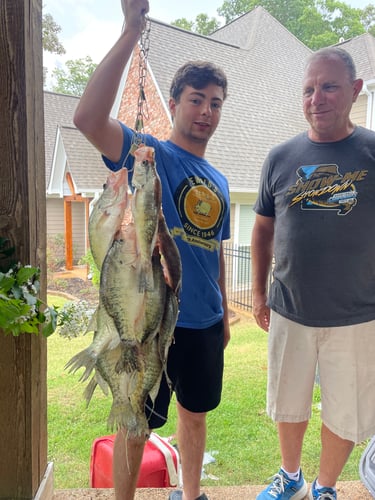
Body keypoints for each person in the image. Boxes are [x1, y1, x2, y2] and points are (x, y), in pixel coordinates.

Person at [73, 1, 231, 499]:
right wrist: (130, 33)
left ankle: (191, 495)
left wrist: (224, 311)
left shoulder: (221, 180)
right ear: (176, 102)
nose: (206, 111)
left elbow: (216, 250)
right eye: (195, 100)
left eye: (215, 102)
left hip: (204, 322)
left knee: (195, 415)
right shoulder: (150, 154)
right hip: (150, 316)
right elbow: (88, 117)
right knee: (135, 418)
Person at [251, 46, 375, 500]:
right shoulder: (280, 157)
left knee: (345, 410)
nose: (316, 98)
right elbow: (263, 229)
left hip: (358, 315)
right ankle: (291, 477)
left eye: (328, 86)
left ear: (355, 90)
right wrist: (261, 294)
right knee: (288, 403)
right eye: (308, 89)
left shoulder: (371, 151)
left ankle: (325, 487)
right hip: (290, 309)